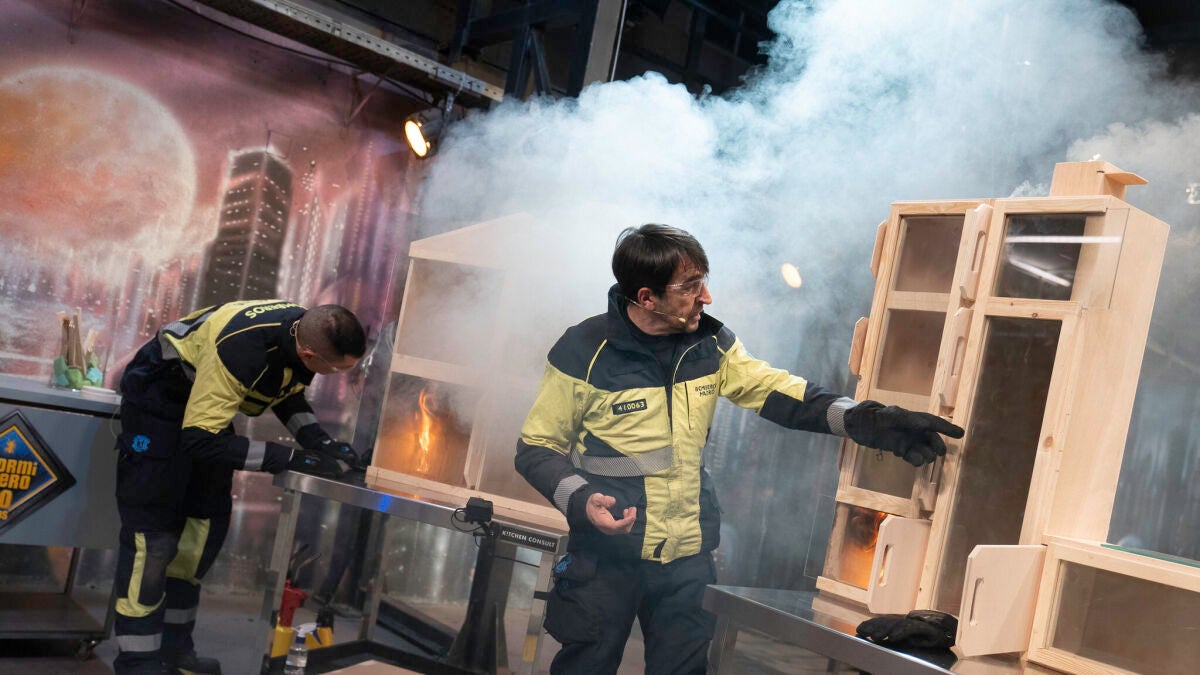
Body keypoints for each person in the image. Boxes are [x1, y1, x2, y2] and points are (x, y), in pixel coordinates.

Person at [515, 224, 964, 674]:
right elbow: (536, 448)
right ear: (647, 297)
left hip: (687, 562)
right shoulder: (584, 351)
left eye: (704, 281)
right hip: (605, 559)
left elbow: (778, 391)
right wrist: (581, 500)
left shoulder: (709, 344)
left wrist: (868, 420)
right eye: (690, 287)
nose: (706, 297)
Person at [111, 300, 366, 675]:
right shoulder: (240, 351)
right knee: (153, 542)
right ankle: (137, 662)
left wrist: (319, 442)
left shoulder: (301, 331)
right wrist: (289, 458)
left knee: (200, 534)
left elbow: (285, 391)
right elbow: (199, 440)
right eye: (337, 370)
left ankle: (174, 653)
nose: (339, 377)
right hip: (159, 405)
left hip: (202, 410)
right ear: (310, 355)